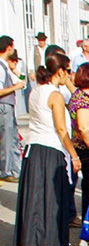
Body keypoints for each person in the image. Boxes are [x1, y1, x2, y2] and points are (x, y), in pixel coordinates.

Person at [15, 53, 80, 246]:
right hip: (50, 148)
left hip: (33, 147)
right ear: (60, 71)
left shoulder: (35, 91)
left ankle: (35, 241)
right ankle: (54, 242)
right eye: (67, 71)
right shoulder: (55, 95)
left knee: (36, 197)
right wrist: (74, 155)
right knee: (53, 198)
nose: (69, 75)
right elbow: (61, 130)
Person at [68, 62, 89, 223]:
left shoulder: (80, 96)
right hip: (86, 151)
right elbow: (84, 127)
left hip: (83, 149)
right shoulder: (84, 101)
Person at [0, 36, 25, 182]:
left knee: (12, 136)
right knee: (7, 138)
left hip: (8, 105)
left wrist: (16, 72)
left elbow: (21, 80)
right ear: (8, 48)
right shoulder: (1, 67)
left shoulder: (6, 66)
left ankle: (13, 169)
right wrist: (16, 87)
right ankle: (7, 170)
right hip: (4, 105)